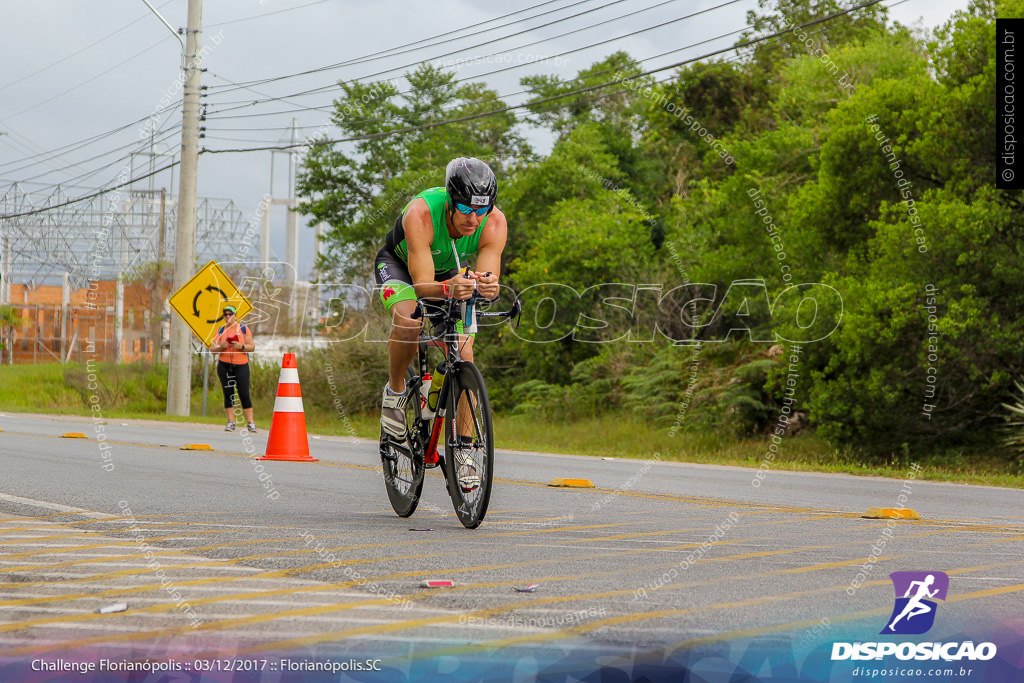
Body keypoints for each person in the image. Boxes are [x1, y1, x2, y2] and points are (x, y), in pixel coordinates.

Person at [375, 157, 507, 491]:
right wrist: (450, 288)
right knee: (409, 321)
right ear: (450, 200)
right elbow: (422, 286)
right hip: (402, 267)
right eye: (465, 208)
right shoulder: (420, 213)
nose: (473, 218)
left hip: (449, 273)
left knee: (464, 350)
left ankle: (464, 449)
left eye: (482, 209)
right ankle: (395, 393)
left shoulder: (494, 222)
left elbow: (489, 274)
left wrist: (488, 285)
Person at [210, 305, 256, 432]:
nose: (228, 317)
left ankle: (250, 422)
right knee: (228, 393)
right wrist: (221, 346)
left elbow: (252, 346)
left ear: (235, 316)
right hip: (225, 364)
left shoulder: (243, 329)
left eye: (230, 314)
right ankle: (231, 422)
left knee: (244, 393)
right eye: (226, 315)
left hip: (241, 364)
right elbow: (212, 349)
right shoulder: (221, 330)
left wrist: (241, 346)